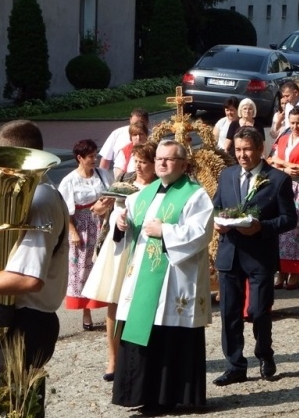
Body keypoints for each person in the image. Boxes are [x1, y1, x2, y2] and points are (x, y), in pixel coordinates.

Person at [0, 120, 69, 418]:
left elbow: (28, 279)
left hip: (27, 322)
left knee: (16, 410)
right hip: (16, 320)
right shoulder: (37, 197)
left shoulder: (40, 199)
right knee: (8, 407)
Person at [112, 140, 213, 415]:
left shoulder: (196, 196)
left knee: (170, 336)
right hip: (143, 280)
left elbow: (200, 233)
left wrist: (165, 231)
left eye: (169, 159)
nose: (162, 164)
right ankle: (141, 394)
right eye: (159, 159)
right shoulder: (142, 195)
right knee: (143, 333)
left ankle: (176, 398)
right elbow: (126, 224)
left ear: (183, 164)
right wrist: (120, 224)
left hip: (174, 281)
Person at [213, 127, 297, 387]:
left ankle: (264, 353)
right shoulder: (226, 176)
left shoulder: (278, 179)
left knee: (259, 311)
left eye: (247, 149)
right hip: (230, 253)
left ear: (261, 149)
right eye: (238, 150)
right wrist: (218, 222)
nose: (242, 155)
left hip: (260, 254)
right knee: (229, 313)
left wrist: (262, 227)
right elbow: (217, 205)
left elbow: (289, 219)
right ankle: (235, 365)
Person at [82, 141, 157, 383]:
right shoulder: (124, 182)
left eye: (144, 161)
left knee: (143, 302)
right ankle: (112, 358)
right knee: (114, 301)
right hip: (120, 247)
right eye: (136, 160)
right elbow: (99, 209)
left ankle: (141, 357)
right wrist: (104, 209)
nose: (139, 165)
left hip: (146, 248)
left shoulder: (160, 187)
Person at [58, 139, 113, 331]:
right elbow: (64, 211)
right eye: (90, 156)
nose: (94, 159)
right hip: (81, 227)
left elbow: (113, 195)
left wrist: (105, 207)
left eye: (95, 155)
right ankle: (86, 313)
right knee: (83, 269)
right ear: (79, 158)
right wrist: (72, 232)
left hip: (102, 225)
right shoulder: (70, 181)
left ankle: (110, 312)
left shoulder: (103, 175)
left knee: (104, 266)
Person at [267, 107, 299, 289]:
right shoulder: (283, 139)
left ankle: (295, 272)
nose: (295, 126)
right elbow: (269, 162)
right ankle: (281, 272)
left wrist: (283, 163)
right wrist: (285, 169)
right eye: (292, 122)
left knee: (297, 230)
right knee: (281, 231)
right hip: (282, 186)